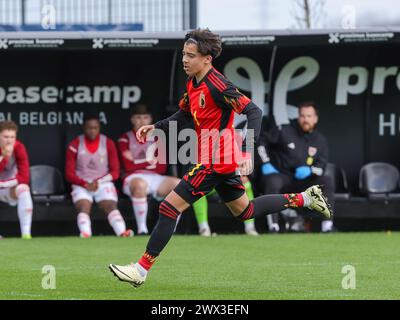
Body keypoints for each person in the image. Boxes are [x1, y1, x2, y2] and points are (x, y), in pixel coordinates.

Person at [109, 28, 332, 287]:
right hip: (217, 159)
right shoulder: (193, 82)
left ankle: (141, 270)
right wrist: (156, 126)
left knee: (169, 207)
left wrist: (248, 150)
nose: (185, 60)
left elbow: (254, 112)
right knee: (245, 211)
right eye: (183, 54)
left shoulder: (219, 85)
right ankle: (305, 198)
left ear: (207, 59)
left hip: (215, 158)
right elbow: (184, 115)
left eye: (191, 55)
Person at [258, 102, 334, 233]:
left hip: (304, 181)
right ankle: (273, 226)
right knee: (272, 180)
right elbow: (261, 141)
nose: (305, 119)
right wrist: (265, 163)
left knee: (326, 180)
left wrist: (310, 170)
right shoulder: (284, 130)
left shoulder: (320, 140)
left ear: (315, 118)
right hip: (283, 176)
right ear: (298, 117)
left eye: (309, 116)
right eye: (302, 116)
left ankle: (327, 226)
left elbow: (321, 166)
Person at [65, 113, 133, 238]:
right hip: (82, 183)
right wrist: (84, 184)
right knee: (83, 206)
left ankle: (122, 232)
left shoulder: (108, 143)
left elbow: (115, 172)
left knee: (111, 205)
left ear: (99, 128)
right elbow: (69, 174)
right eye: (89, 128)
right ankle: (86, 233)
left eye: (95, 127)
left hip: (102, 182)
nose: (92, 130)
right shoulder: (74, 145)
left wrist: (99, 182)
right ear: (84, 128)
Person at [118, 104, 180, 235]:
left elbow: (161, 167)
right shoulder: (125, 138)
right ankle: (142, 230)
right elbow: (128, 166)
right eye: (138, 117)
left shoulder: (158, 137)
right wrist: (150, 161)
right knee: (140, 185)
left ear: (151, 119)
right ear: (132, 119)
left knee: (180, 185)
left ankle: (170, 230)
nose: (142, 121)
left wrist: (136, 160)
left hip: (155, 177)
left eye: (145, 117)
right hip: (133, 177)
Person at [193, 175, 259, 236]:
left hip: (231, 181)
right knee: (198, 190)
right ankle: (204, 228)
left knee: (247, 184)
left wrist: (244, 176)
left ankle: (250, 227)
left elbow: (244, 169)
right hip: (212, 183)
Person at [0, 121, 33, 239]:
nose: (9, 141)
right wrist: (4, 157)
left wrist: (3, 184)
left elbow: (25, 178)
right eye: (5, 137)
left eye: (12, 137)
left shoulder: (19, 147)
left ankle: (26, 234)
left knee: (24, 188)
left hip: (9, 188)